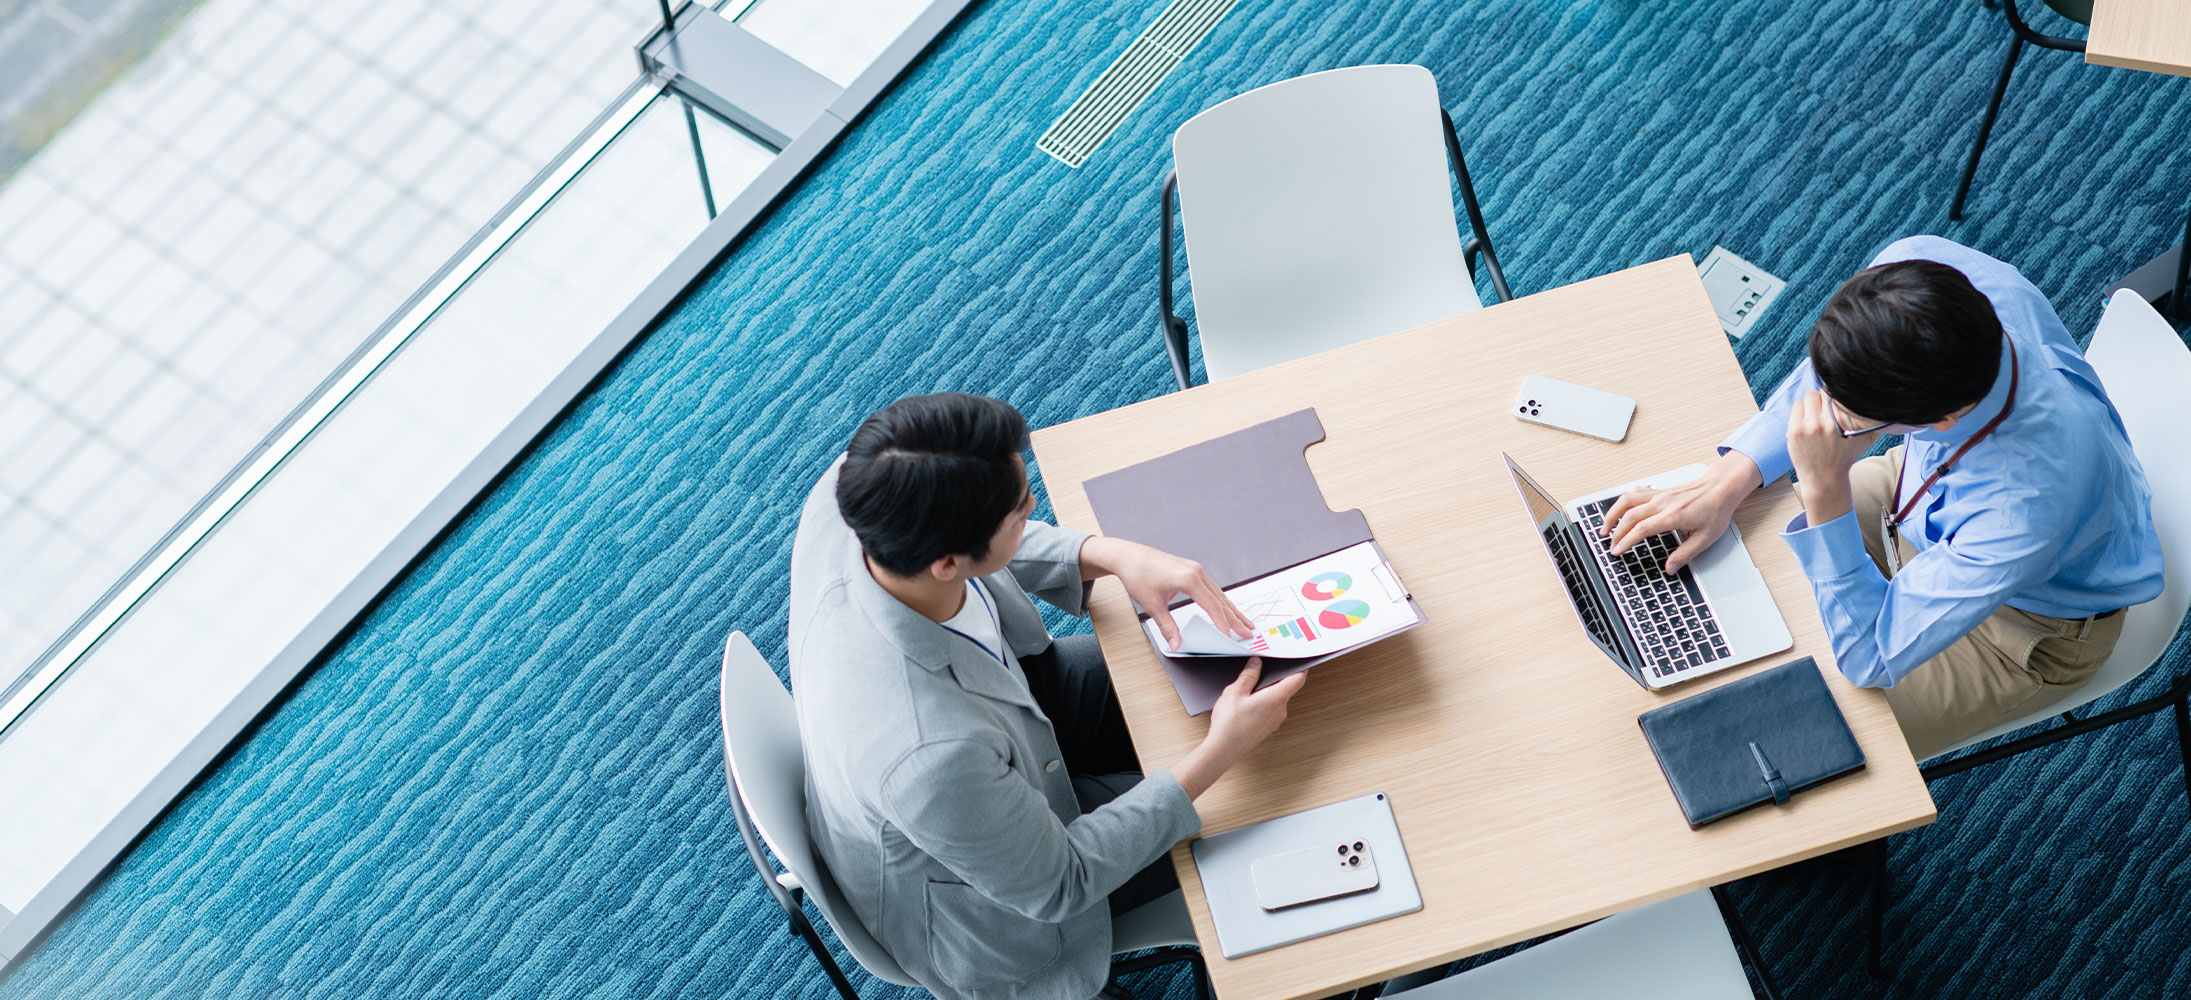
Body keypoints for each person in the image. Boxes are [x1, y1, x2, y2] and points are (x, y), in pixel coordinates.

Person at [790, 392, 1306, 1000]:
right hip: (1008, 893)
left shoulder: (859, 493)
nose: (1033, 506)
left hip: (1009, 704)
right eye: (1018, 510)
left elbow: (991, 539)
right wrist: (1220, 752)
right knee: (1265, 793)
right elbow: (1062, 882)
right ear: (947, 564)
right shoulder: (931, 757)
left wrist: (1107, 553)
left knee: (1209, 684)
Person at [1601, 235, 2163, 760]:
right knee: (1720, 569)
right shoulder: (1922, 266)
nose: (1827, 419)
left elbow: (1869, 656)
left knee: (1791, 741)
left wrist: (1825, 492)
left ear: (1943, 417)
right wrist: (1729, 478)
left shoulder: (2023, 512)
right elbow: (1843, 372)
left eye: (1848, 420)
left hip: (2022, 624)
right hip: (1919, 488)